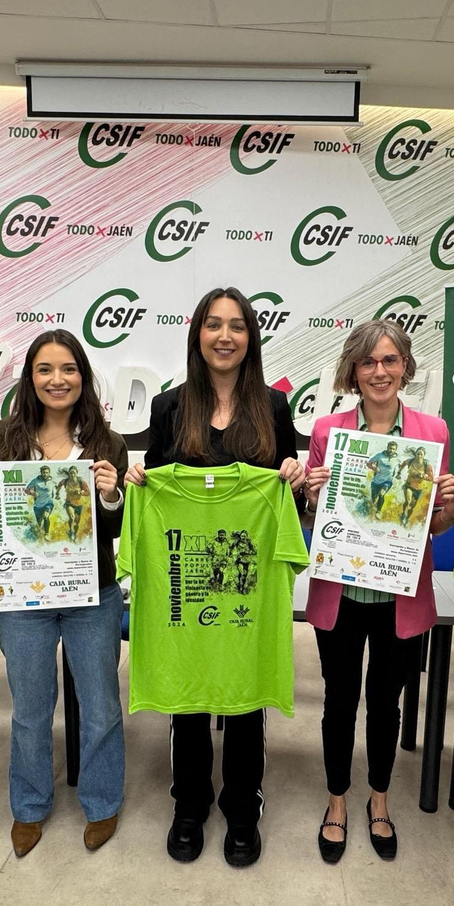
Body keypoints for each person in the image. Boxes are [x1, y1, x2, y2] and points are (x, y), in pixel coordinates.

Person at [125, 287, 305, 868]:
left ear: (251, 337)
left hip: (246, 579)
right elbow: (157, 490)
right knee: (189, 691)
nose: (224, 336)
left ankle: (243, 808)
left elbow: (285, 501)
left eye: (236, 326)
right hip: (187, 575)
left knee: (245, 690)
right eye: (213, 325)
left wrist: (293, 479)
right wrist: (137, 485)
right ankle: (189, 803)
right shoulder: (169, 407)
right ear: (197, 334)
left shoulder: (274, 409)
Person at [0, 330, 127, 857]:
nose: (58, 379)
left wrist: (111, 494)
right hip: (23, 597)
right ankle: (29, 806)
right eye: (46, 369)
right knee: (30, 707)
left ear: (83, 377)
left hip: (89, 592)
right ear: (30, 378)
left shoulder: (105, 442)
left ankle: (101, 802)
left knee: (99, 705)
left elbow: (115, 527)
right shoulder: (3, 437)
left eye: (69, 369)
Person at [303, 318, 454, 864]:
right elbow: (312, 519)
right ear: (353, 369)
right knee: (339, 700)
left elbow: (437, 526)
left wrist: (452, 502)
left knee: (386, 705)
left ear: (405, 368)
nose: (379, 371)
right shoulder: (328, 432)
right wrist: (312, 494)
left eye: (389, 360)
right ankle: (337, 801)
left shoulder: (432, 432)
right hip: (342, 595)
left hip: (400, 596)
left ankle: (378, 799)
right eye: (368, 361)